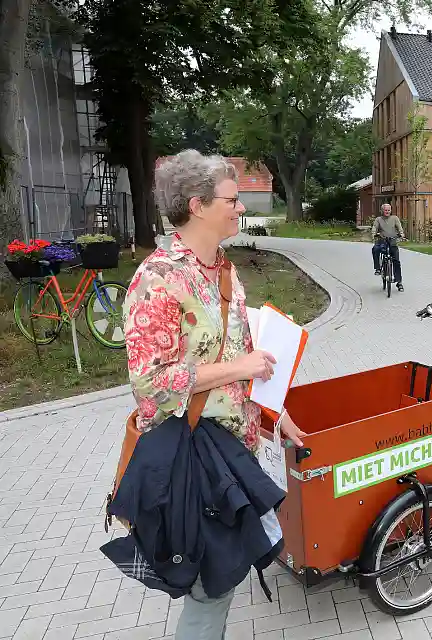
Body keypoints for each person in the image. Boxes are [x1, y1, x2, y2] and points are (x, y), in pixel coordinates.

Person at [121, 150, 307, 640]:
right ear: (198, 205)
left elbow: (246, 352)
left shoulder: (224, 273)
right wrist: (237, 367)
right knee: (211, 589)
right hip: (194, 459)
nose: (241, 207)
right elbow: (149, 380)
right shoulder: (157, 279)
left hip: (233, 450)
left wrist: (275, 412)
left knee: (220, 580)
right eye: (232, 199)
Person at [372, 203, 405, 291]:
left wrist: (401, 234)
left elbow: (399, 227)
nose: (387, 212)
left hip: (393, 242)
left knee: (396, 261)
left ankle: (399, 282)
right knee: (375, 249)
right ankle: (378, 268)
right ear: (382, 211)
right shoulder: (378, 219)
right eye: (385, 210)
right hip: (382, 241)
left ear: (391, 210)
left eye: (388, 210)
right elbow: (374, 228)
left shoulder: (395, 218)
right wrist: (374, 234)